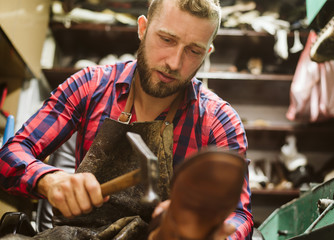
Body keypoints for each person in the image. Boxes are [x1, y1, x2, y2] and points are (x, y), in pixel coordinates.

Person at [0, 0, 253, 239]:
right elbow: (10, 154)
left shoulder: (219, 120)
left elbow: (239, 214)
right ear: (142, 28)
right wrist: (48, 180)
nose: (174, 63)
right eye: (166, 39)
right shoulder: (91, 85)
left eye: (193, 51)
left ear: (207, 52)